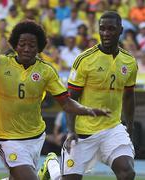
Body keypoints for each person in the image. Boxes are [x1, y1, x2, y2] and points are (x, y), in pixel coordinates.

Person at [0, 20, 110, 180]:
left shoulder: (46, 71)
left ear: (39, 48)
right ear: (15, 45)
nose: (27, 49)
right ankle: (53, 170)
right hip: (6, 138)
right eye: (22, 44)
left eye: (32, 45)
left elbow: (66, 102)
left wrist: (88, 110)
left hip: (35, 137)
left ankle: (48, 168)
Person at [41, 11, 137, 180]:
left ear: (121, 30)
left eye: (111, 29)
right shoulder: (84, 60)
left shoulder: (129, 62)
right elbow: (70, 99)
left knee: (127, 172)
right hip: (83, 132)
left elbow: (129, 96)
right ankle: (52, 165)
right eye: (102, 29)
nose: (106, 33)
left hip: (112, 129)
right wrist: (70, 131)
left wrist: (129, 124)